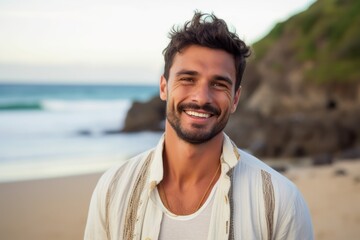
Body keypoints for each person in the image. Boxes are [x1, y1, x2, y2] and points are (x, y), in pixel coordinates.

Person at [84, 12, 313, 240]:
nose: (202, 97)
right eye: (187, 79)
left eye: (219, 83)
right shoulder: (113, 190)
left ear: (235, 99)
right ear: (163, 87)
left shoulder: (280, 201)